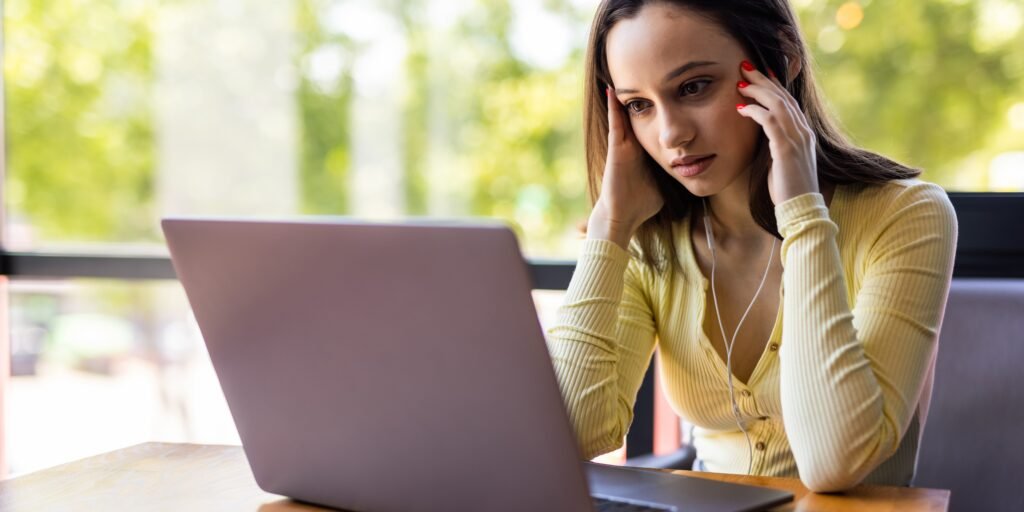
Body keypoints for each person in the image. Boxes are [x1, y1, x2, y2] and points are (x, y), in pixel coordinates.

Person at [546, 0, 958, 493]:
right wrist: (609, 228)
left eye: (693, 87)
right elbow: (566, 437)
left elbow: (835, 462)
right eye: (639, 105)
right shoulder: (650, 240)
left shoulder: (905, 216)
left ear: (783, 60)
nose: (671, 133)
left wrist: (803, 212)